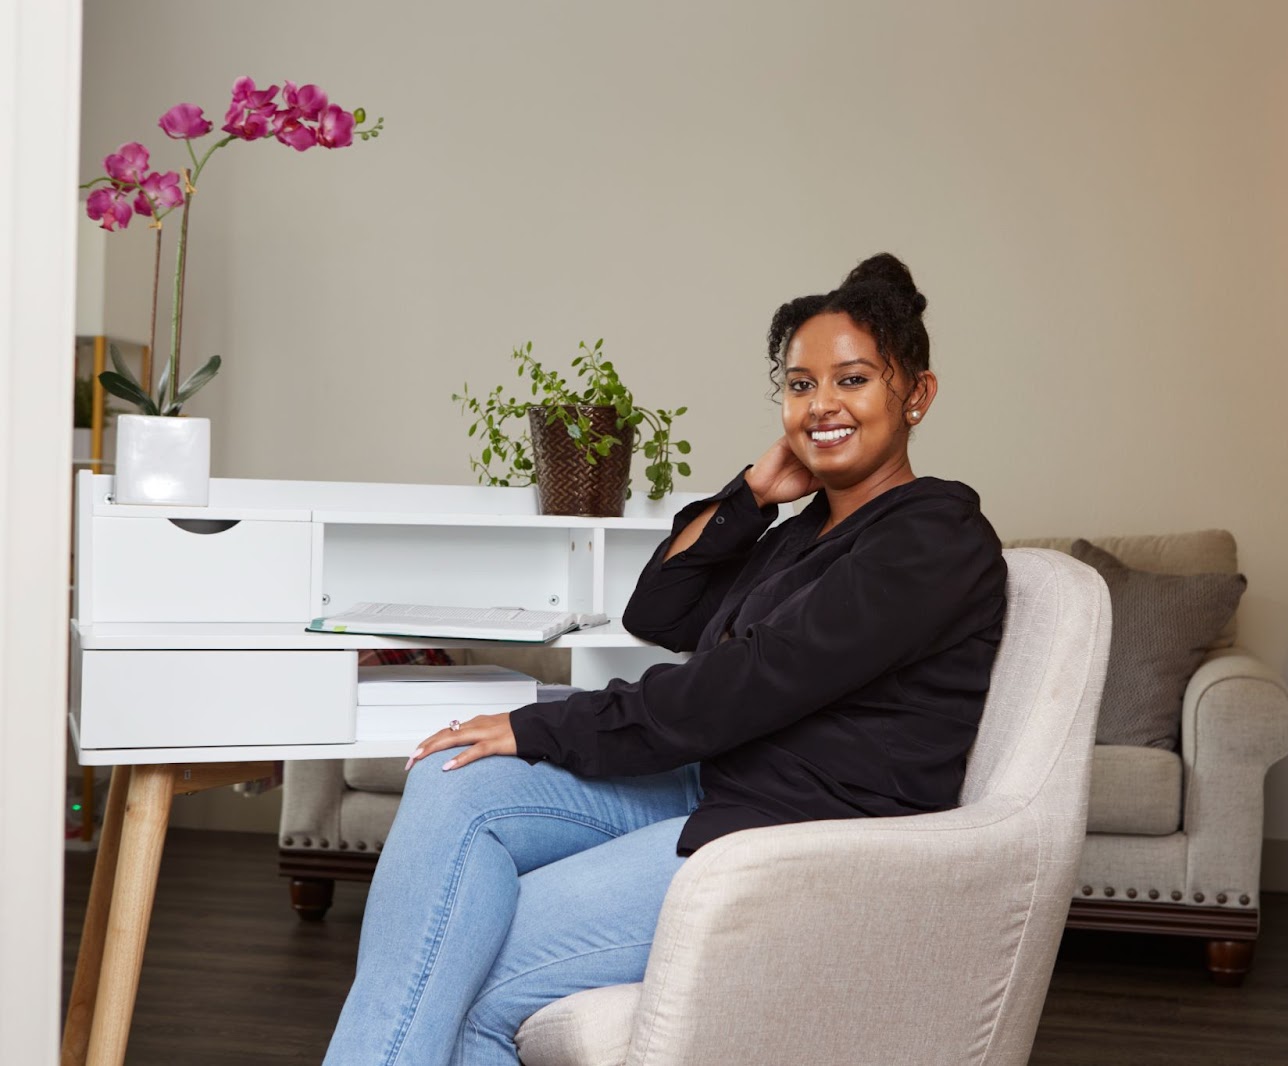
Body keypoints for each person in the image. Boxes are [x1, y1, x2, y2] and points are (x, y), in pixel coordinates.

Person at [324, 253, 1007, 1065]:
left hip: (791, 828)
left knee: (469, 973)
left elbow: (743, 686)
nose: (821, 405)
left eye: (852, 381)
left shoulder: (931, 537)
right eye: (798, 386)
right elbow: (660, 610)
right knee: (457, 776)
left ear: (917, 395)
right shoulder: (802, 532)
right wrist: (752, 493)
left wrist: (542, 726)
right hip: (714, 777)